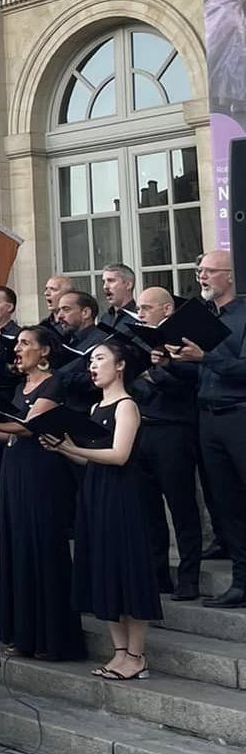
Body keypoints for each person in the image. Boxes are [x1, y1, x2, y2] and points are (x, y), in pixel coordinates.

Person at [44, 341, 161, 680]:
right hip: (95, 493)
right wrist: (64, 449)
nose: (92, 366)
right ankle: (119, 652)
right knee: (104, 569)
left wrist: (73, 447)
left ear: (120, 366)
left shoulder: (126, 406)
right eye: (91, 361)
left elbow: (119, 455)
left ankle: (136, 655)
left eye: (100, 359)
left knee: (127, 570)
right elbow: (90, 458)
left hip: (122, 496)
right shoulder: (96, 408)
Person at [0, 327, 86, 661]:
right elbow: (10, 434)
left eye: (26, 343)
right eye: (18, 343)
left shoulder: (53, 382)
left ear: (44, 352)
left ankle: (52, 637)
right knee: (15, 547)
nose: (19, 348)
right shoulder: (18, 385)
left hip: (41, 470)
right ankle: (22, 632)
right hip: (13, 468)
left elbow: (29, 426)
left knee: (40, 545)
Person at [157, 251, 246, 608]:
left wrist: (205, 357)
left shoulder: (242, 315)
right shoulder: (201, 318)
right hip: (207, 417)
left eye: (209, 271)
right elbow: (200, 373)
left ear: (229, 276)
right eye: (199, 271)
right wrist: (170, 363)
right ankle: (241, 580)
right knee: (225, 502)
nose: (202, 277)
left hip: (238, 414)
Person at [132, 287, 205, 600]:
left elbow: (188, 384)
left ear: (167, 309)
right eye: (139, 308)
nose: (142, 313)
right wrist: (153, 377)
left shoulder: (187, 342)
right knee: (149, 509)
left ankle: (189, 577)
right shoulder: (139, 338)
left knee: (182, 507)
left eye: (147, 307)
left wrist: (158, 375)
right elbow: (133, 380)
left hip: (175, 431)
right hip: (144, 428)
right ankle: (159, 573)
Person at [101, 263, 139, 329]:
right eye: (104, 282)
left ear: (128, 285)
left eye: (111, 281)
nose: (105, 286)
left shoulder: (139, 317)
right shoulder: (105, 317)